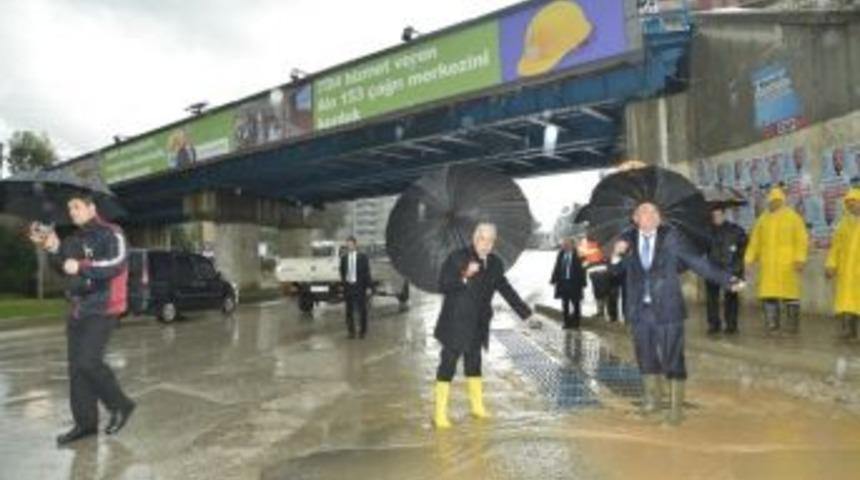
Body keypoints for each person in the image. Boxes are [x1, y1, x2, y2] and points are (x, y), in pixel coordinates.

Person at [610, 203, 743, 425]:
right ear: (635, 218)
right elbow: (615, 272)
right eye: (644, 212)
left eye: (654, 212)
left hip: (668, 308)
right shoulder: (627, 240)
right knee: (645, 357)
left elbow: (697, 262)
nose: (650, 215)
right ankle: (651, 402)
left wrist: (728, 280)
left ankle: (675, 411)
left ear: (660, 217)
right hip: (639, 311)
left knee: (673, 358)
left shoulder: (672, 237)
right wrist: (616, 254)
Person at [27, 192, 136, 445]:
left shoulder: (113, 232)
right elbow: (63, 266)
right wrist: (51, 246)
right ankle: (85, 424)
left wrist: (82, 266)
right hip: (78, 309)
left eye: (76, 207)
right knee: (76, 370)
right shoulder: (75, 239)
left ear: (91, 208)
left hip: (104, 307)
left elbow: (117, 263)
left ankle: (121, 405)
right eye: (69, 208)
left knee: (88, 362)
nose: (72, 212)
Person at [432, 223, 533, 429]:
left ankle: (477, 407)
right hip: (455, 323)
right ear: (475, 238)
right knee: (447, 366)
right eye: (482, 239)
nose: (486, 244)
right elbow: (443, 284)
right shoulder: (457, 257)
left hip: (478, 323)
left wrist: (525, 314)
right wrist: (464, 276)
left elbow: (505, 288)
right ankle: (439, 413)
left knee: (474, 364)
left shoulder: (495, 263)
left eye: (490, 240)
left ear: (494, 242)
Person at [744, 187, 809, 334]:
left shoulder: (793, 218)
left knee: (790, 296)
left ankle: (792, 326)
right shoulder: (762, 220)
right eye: (772, 200)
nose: (774, 203)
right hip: (768, 265)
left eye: (777, 200)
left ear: (783, 200)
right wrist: (748, 259)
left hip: (788, 265)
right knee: (769, 295)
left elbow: (802, 240)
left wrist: (800, 259)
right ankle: (772, 324)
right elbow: (755, 242)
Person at [705, 206, 748, 335]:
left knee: (732, 298)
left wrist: (737, 258)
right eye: (714, 215)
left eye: (719, 215)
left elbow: (744, 245)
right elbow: (701, 248)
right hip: (712, 269)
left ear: (724, 215)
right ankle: (714, 324)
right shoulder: (706, 231)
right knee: (712, 298)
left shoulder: (735, 230)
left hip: (732, 269)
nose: (716, 218)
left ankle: (731, 325)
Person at [825, 188, 860, 340]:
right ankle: (849, 331)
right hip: (846, 271)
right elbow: (835, 248)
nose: (851, 205)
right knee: (847, 302)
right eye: (849, 202)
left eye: (854, 201)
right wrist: (831, 264)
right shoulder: (843, 225)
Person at [579, 235, 619, 322]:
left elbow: (582, 260)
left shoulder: (585, 246)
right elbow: (582, 259)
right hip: (601, 272)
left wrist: (586, 265)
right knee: (603, 293)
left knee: (601, 293)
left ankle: (603, 313)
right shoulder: (602, 245)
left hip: (597, 273)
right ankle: (606, 314)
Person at [339, 236, 372, 339]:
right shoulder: (344, 258)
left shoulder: (362, 257)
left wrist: (368, 287)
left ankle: (363, 331)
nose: (349, 246)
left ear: (355, 244)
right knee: (349, 311)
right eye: (348, 244)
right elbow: (342, 272)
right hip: (349, 287)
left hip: (360, 287)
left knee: (362, 310)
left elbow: (367, 273)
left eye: (351, 244)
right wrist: (344, 283)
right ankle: (351, 331)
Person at [550, 237, 586, 329]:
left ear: (572, 245)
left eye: (567, 244)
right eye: (563, 244)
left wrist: (583, 282)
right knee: (564, 304)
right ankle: (566, 323)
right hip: (563, 282)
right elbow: (557, 267)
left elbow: (583, 269)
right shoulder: (561, 254)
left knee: (576, 304)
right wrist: (553, 279)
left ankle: (576, 324)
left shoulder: (579, 254)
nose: (564, 246)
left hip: (575, 283)